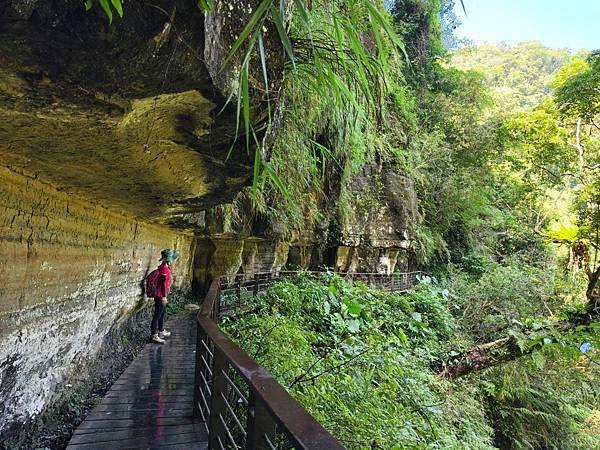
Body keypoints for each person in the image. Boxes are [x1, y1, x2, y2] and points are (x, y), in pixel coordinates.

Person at [150, 248, 179, 344]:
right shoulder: (164, 268)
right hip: (159, 295)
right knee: (157, 315)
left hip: (162, 294)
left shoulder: (166, 267)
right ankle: (154, 336)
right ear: (169, 259)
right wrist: (164, 296)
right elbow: (162, 283)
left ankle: (161, 331)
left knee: (162, 313)